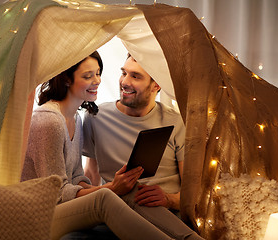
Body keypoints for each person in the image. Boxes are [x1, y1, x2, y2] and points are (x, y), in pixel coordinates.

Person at [20, 51, 194, 240]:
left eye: (98, 73)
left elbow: (78, 176)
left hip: (156, 211)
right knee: (109, 197)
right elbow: (58, 192)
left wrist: (164, 198)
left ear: (156, 84)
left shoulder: (76, 118)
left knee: (126, 191)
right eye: (88, 76)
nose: (98, 81)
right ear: (66, 80)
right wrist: (112, 188)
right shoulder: (53, 120)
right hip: (42, 213)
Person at [82, 54, 201, 239]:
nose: (125, 82)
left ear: (156, 85)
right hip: (118, 211)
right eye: (124, 73)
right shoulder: (95, 117)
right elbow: (91, 173)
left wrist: (168, 199)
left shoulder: (176, 121)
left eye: (135, 76)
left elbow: (192, 192)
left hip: (166, 213)